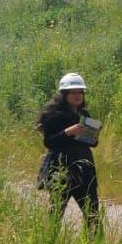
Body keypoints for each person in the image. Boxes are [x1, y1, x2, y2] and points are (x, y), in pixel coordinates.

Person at [37, 72, 100, 229]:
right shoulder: (53, 115)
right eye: (73, 92)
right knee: (56, 212)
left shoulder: (84, 114)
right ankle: (51, 241)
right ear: (64, 94)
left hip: (84, 168)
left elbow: (92, 143)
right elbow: (49, 142)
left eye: (80, 92)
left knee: (92, 213)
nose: (78, 96)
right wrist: (67, 132)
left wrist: (92, 136)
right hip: (61, 168)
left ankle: (94, 242)